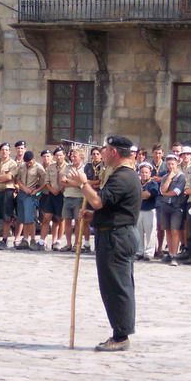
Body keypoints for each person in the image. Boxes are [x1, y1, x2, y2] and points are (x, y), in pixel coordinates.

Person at [68, 135, 141, 352]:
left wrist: (83, 183)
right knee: (115, 286)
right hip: (115, 232)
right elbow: (112, 207)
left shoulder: (123, 177)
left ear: (115, 153)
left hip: (117, 237)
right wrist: (93, 216)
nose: (103, 153)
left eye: (106, 150)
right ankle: (120, 331)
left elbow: (99, 200)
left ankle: (121, 336)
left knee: (117, 287)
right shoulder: (121, 175)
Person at [157, 153, 186, 266]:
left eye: (172, 164)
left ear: (177, 163)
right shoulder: (165, 177)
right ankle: (170, 253)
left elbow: (176, 192)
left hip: (176, 206)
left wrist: (166, 193)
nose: (171, 166)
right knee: (167, 230)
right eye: (168, 164)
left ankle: (175, 254)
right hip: (165, 206)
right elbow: (162, 190)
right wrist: (169, 178)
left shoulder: (181, 177)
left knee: (175, 230)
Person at [15, 150, 47, 250]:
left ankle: (32, 239)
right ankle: (25, 239)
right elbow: (17, 179)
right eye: (27, 162)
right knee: (23, 218)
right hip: (22, 193)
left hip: (31, 195)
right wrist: (23, 188)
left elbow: (45, 181)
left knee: (30, 219)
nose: (28, 164)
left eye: (30, 162)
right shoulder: (21, 166)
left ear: (33, 159)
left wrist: (37, 190)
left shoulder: (38, 167)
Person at [40, 147, 66, 251]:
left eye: (60, 155)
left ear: (64, 155)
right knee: (46, 217)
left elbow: (68, 181)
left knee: (60, 219)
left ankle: (58, 241)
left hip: (62, 195)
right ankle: (42, 241)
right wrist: (52, 189)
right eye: (57, 155)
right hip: (51, 194)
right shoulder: (51, 167)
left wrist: (60, 190)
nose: (58, 157)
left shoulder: (68, 167)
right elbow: (46, 181)